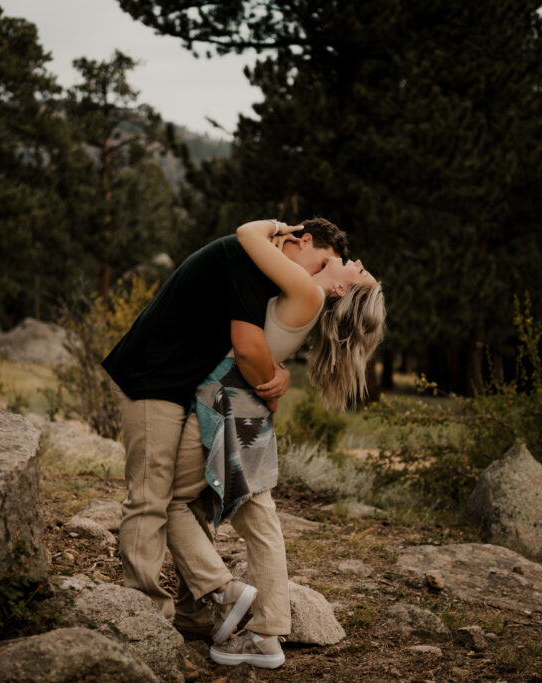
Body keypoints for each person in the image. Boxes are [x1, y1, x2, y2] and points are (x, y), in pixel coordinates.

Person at [101, 218, 349, 630]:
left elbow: (260, 342)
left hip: (187, 384)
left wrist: (281, 371)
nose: (317, 275)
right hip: (151, 377)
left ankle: (194, 613)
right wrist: (271, 383)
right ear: (303, 241)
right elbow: (247, 347)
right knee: (151, 495)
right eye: (321, 262)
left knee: (193, 498)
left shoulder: (267, 271)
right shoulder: (247, 258)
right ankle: (145, 617)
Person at [166, 219, 385, 669]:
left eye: (358, 271)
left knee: (166, 501)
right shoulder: (306, 297)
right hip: (253, 409)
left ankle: (223, 590)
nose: (356, 261)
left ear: (342, 293)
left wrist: (283, 228)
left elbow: (247, 235)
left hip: (226, 401)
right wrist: (278, 377)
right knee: (260, 520)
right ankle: (267, 634)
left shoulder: (308, 292)